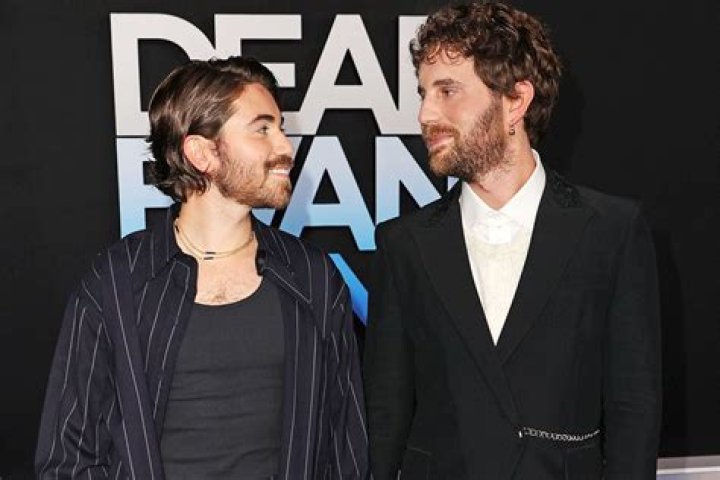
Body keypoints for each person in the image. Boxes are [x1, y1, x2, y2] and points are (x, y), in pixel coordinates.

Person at [363, 2, 661, 479]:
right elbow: (385, 416)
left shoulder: (611, 231)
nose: (424, 114)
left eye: (447, 90)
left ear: (516, 101)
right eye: (423, 93)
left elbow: (634, 410)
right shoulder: (403, 245)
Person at [36, 56, 368, 480]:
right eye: (262, 129)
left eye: (280, 129)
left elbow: (346, 448)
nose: (285, 147)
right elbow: (68, 458)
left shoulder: (314, 278)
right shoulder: (115, 284)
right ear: (202, 153)